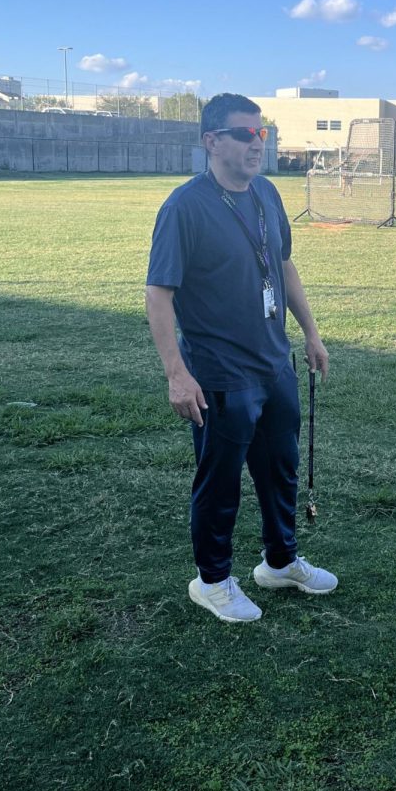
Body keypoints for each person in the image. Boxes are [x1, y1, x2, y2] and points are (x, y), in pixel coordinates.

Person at [145, 93, 337, 623]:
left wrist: (311, 334)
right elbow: (158, 294)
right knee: (221, 480)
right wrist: (177, 375)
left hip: (275, 364)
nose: (259, 143)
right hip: (221, 373)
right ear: (212, 141)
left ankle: (280, 562)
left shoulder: (268, 194)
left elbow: (285, 265)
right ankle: (212, 581)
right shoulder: (185, 206)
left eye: (263, 133)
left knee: (281, 471)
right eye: (246, 134)